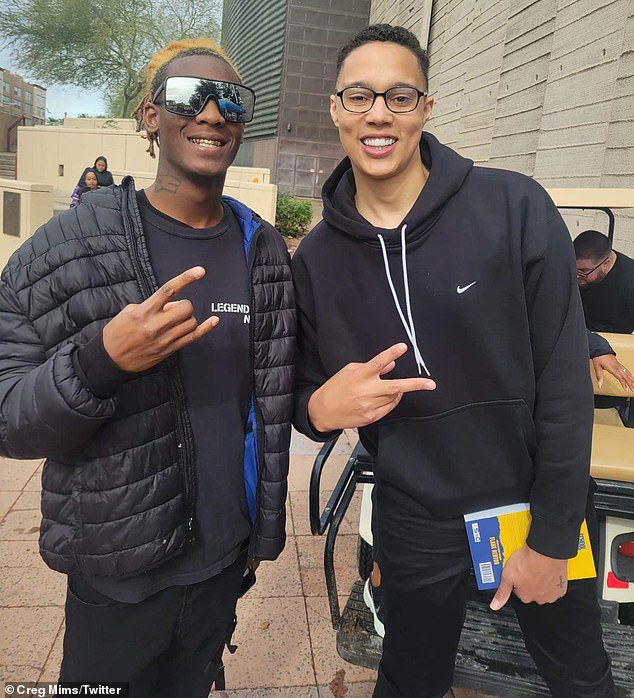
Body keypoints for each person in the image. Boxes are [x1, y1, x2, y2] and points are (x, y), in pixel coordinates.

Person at [292, 24, 614, 698]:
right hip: (415, 514)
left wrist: (553, 538)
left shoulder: (512, 206)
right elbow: (304, 397)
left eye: (399, 95)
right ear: (336, 108)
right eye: (359, 95)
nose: (378, 113)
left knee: (580, 677)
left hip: (531, 502)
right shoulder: (317, 260)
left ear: (426, 108)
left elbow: (562, 384)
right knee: (408, 676)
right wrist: (323, 407)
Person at [0, 38, 295, 697]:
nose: (213, 113)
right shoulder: (73, 244)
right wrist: (100, 361)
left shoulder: (262, 247)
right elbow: (7, 414)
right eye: (190, 97)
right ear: (151, 117)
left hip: (224, 561)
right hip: (119, 574)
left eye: (230, 100)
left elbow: (274, 392)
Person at [574, 229, 634, 334]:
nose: (577, 276)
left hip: (611, 344)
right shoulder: (570, 268)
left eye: (583, 271)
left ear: (605, 264)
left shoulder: (629, 283)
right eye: (573, 269)